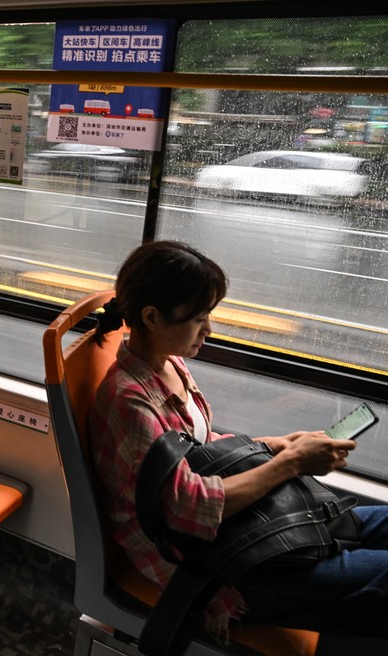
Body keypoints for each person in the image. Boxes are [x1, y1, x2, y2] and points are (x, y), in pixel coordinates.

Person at [87, 240, 388, 642]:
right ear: (152, 317)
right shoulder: (129, 402)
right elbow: (188, 508)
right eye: (198, 319)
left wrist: (277, 445)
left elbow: (198, 443)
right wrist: (292, 463)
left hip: (232, 530)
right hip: (202, 564)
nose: (208, 329)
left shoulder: (168, 364)